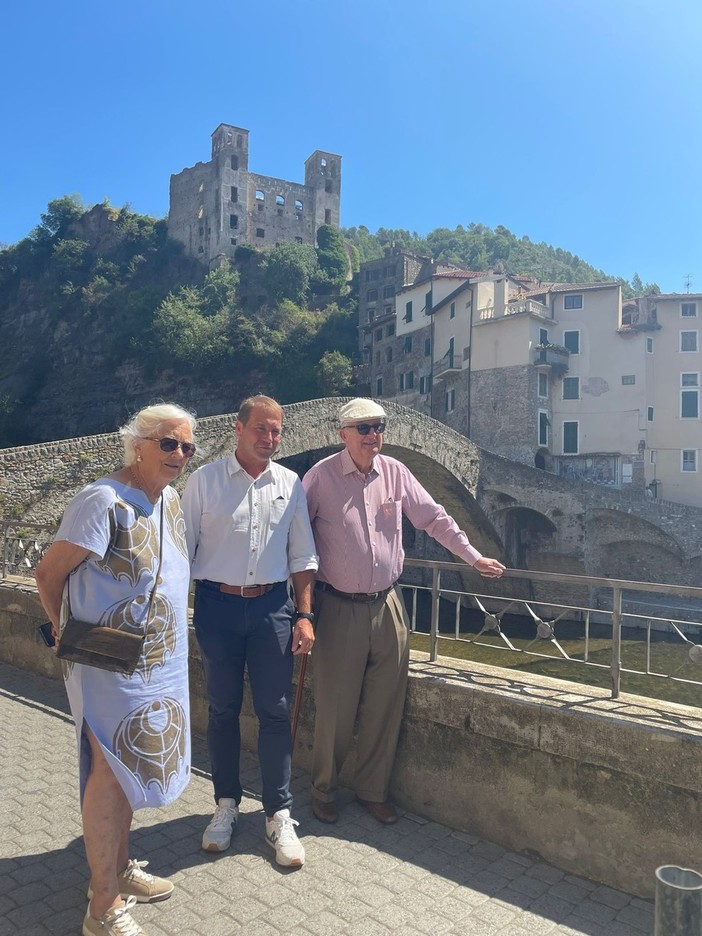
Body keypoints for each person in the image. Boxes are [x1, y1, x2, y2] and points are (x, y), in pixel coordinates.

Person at [302, 398, 506, 825]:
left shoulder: (395, 472)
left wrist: (473, 558)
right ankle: (323, 789)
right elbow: (296, 541)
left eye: (379, 426)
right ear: (343, 434)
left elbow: (434, 518)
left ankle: (372, 791)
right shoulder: (319, 479)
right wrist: (299, 610)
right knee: (336, 708)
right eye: (364, 428)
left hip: (389, 604)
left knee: (385, 703)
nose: (373, 434)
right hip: (338, 607)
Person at [35, 403, 197, 936]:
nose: (179, 455)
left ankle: (119, 871)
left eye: (188, 446)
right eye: (169, 444)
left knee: (131, 774)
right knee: (109, 772)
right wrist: (62, 628)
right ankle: (101, 908)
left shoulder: (168, 499)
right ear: (139, 445)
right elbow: (48, 574)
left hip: (160, 664)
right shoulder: (102, 501)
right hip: (108, 663)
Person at [181, 394, 317, 868]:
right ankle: (225, 804)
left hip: (272, 609)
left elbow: (302, 557)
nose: (270, 438)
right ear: (238, 429)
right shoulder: (204, 481)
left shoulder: (290, 483)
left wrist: (304, 615)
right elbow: (181, 552)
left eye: (277, 431)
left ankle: (279, 813)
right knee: (221, 709)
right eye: (261, 428)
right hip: (217, 606)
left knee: (275, 711)